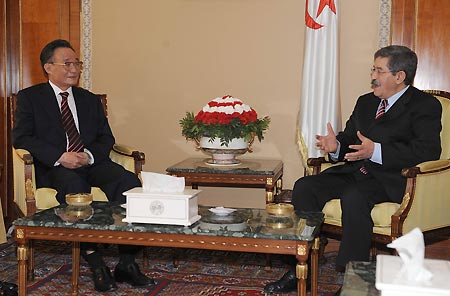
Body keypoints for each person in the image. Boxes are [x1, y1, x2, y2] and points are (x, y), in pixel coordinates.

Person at [264, 45, 442, 294]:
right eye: (373, 69)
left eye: (379, 70)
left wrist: (376, 151)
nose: (373, 76)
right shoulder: (366, 102)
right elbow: (350, 138)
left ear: (399, 76)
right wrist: (336, 146)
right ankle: (301, 266)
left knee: (354, 196)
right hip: (354, 172)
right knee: (305, 187)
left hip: (391, 179)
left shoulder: (426, 105)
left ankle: (354, 280)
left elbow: (427, 151)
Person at [12, 39, 155, 292]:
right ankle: (97, 264)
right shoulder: (30, 98)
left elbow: (106, 138)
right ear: (48, 67)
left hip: (92, 162)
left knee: (130, 184)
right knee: (76, 191)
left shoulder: (89, 100)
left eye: (76, 63)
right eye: (67, 63)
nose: (74, 69)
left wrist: (88, 155)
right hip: (56, 166)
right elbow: (22, 138)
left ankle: (126, 262)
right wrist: (60, 156)